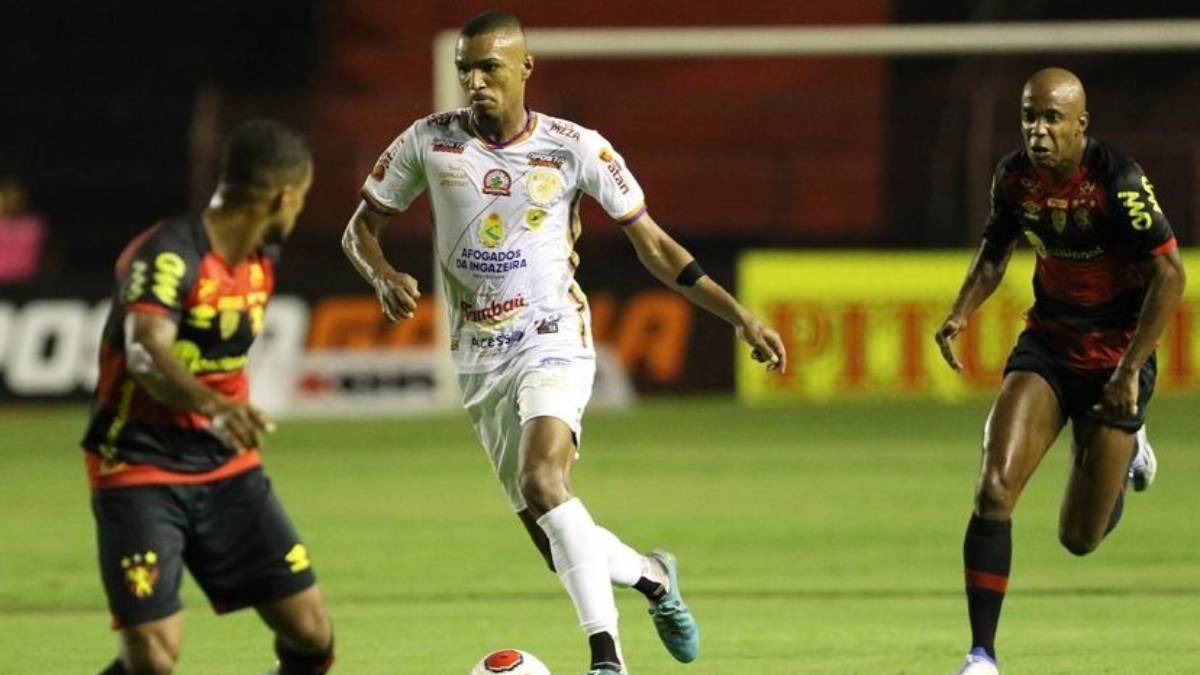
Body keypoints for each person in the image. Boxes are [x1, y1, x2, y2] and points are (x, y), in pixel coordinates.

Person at [342, 11, 787, 675]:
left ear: (525, 67)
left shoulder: (575, 148)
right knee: (557, 540)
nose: (475, 82)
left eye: (489, 67)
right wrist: (380, 274)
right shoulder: (428, 141)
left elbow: (655, 246)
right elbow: (358, 231)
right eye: (465, 69)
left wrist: (738, 315)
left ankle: (607, 658)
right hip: (477, 356)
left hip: (553, 336)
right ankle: (652, 575)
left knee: (543, 478)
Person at [935, 67, 1185, 675]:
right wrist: (960, 311)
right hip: (1048, 345)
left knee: (1079, 538)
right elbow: (996, 250)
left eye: (1051, 118)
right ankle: (981, 656)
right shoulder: (1013, 178)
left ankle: (1127, 455)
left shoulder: (1118, 181)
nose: (1038, 131)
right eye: (1029, 117)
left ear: (1080, 124)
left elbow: (1171, 275)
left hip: (1115, 359)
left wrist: (1130, 369)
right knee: (993, 489)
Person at [82, 120, 335, 675]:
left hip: (226, 468)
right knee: (152, 656)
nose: (299, 210)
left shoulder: (260, 256)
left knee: (311, 635)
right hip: (138, 465)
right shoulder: (169, 255)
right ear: (282, 197)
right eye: (302, 197)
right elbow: (145, 353)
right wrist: (216, 407)